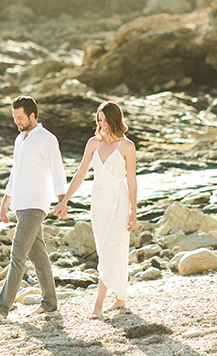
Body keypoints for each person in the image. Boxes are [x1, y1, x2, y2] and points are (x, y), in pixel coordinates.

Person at [53, 100, 138, 319]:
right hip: (99, 201)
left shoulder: (127, 146)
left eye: (105, 120)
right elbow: (80, 174)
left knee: (111, 248)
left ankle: (98, 305)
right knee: (106, 249)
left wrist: (134, 210)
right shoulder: (93, 143)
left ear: (114, 119)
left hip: (120, 200)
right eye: (99, 120)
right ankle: (120, 298)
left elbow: (131, 180)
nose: (102, 124)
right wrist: (64, 201)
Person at [0, 96, 68, 323]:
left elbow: (57, 169)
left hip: (36, 203)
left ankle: (1, 309)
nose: (17, 122)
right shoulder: (19, 139)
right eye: (14, 118)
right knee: (38, 255)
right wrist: (6, 200)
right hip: (20, 204)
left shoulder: (46, 139)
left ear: (33, 115)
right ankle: (49, 303)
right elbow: (16, 171)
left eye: (20, 117)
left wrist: (63, 200)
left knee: (17, 255)